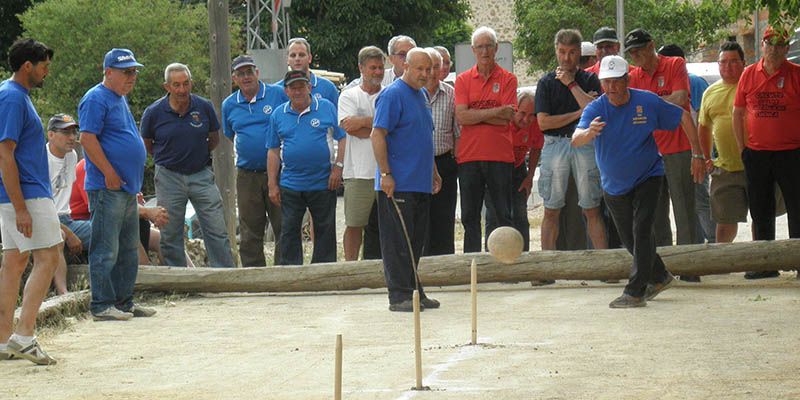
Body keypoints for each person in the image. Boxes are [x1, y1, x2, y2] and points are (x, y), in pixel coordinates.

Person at [572, 55, 705, 308]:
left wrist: (697, 154)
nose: (610, 87)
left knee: (642, 229)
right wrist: (588, 133)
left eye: (615, 81)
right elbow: (576, 138)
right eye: (605, 82)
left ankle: (635, 291)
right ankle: (660, 276)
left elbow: (684, 117)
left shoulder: (647, 101)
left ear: (627, 79)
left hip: (649, 175)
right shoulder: (596, 108)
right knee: (630, 240)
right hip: (614, 185)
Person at [78, 48, 155, 321]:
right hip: (106, 187)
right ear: (108, 72)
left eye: (134, 71)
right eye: (126, 72)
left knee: (127, 250)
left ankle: (124, 302)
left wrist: (132, 183)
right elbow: (87, 138)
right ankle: (101, 305)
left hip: (124, 189)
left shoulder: (118, 98)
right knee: (106, 248)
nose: (132, 77)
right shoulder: (96, 98)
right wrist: (109, 171)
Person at [0, 38, 60, 365]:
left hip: (16, 194)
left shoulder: (13, 95)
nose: (46, 72)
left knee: (14, 263)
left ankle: (3, 340)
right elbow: (4, 153)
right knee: (49, 257)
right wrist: (21, 206)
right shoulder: (12, 97)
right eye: (43, 66)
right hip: (28, 193)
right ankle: (24, 335)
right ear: (28, 66)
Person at [140, 63, 234, 268]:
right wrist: (169, 157)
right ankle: (179, 279)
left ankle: (226, 276)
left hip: (201, 174)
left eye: (185, 84)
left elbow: (214, 139)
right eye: (176, 85)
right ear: (167, 87)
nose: (182, 90)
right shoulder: (153, 113)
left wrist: (196, 154)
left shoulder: (204, 107)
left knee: (216, 227)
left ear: (191, 83)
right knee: (170, 231)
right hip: (168, 177)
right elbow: (147, 144)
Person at [372, 48, 441, 312]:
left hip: (420, 181)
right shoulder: (391, 95)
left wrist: (433, 171)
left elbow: (424, 136)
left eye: (429, 69)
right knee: (397, 242)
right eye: (419, 69)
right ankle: (399, 295)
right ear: (405, 67)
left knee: (414, 241)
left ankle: (415, 290)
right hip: (398, 182)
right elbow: (377, 135)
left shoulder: (422, 95)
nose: (425, 74)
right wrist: (386, 174)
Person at [733, 26, 800, 280]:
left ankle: (798, 262)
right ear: (762, 45)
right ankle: (765, 264)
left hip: (792, 153)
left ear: (787, 48)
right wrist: (743, 149)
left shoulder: (796, 74)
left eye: (780, 45)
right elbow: (738, 113)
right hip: (757, 153)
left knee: (798, 208)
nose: (774, 49)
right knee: (760, 210)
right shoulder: (749, 74)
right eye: (770, 44)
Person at [626, 29, 699, 252]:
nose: (634, 56)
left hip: (679, 146)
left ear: (651, 46)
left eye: (638, 51)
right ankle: (663, 264)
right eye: (631, 53)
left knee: (684, 209)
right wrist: (659, 104)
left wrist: (647, 105)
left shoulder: (674, 64)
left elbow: (680, 98)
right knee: (656, 213)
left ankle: (690, 263)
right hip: (650, 153)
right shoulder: (633, 76)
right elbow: (632, 111)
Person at [536, 29, 607, 253]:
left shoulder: (589, 79)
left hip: (585, 144)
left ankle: (606, 266)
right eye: (562, 52)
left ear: (579, 53)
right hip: (555, 144)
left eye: (572, 52)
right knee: (551, 209)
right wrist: (579, 113)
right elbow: (544, 123)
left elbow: (596, 112)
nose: (566, 58)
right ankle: (547, 267)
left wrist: (571, 84)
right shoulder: (546, 82)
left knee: (592, 208)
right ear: (556, 51)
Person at [267, 70, 345, 265]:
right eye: (293, 88)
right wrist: (272, 184)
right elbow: (273, 151)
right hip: (291, 184)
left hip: (323, 182)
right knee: (289, 230)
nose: (298, 91)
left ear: (309, 87)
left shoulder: (326, 108)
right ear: (286, 91)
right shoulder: (278, 114)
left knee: (325, 229)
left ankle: (324, 271)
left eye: (302, 86)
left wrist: (338, 167)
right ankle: (292, 274)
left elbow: (343, 138)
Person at [455, 26, 517, 253]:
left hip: (500, 156)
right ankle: (473, 263)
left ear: (496, 48)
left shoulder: (508, 79)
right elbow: (461, 116)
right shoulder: (462, 80)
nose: (484, 51)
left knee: (502, 214)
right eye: (480, 46)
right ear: (473, 50)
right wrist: (495, 111)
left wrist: (476, 115)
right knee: (470, 217)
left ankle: (503, 261)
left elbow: (508, 117)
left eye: (488, 46)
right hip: (469, 157)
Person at [221, 55, 285, 266]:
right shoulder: (229, 105)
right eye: (241, 73)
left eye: (249, 72)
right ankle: (254, 277)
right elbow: (230, 134)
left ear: (257, 73)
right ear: (234, 78)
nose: (246, 77)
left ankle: (286, 273)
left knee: (283, 225)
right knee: (249, 230)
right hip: (247, 174)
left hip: (279, 172)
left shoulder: (276, 94)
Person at [657, 44, 715, 250]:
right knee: (689, 203)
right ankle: (698, 245)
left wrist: (701, 153)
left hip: (690, 149)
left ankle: (712, 242)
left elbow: (701, 119)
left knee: (698, 201)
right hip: (669, 149)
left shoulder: (694, 82)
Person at [70, 159, 174, 266]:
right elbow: (107, 207)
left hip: (107, 218)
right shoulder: (88, 167)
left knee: (160, 239)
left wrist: (137, 201)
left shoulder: (118, 166)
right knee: (125, 230)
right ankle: (143, 272)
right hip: (83, 222)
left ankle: (188, 275)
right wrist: (147, 212)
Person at [339, 46, 384, 261]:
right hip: (357, 172)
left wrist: (363, 122)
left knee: (384, 225)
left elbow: (393, 129)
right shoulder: (349, 96)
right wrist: (379, 128)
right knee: (354, 224)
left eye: (380, 67)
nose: (377, 72)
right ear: (361, 68)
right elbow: (349, 128)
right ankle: (350, 268)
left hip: (385, 170)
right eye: (372, 68)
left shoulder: (389, 95)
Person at [486, 89, 543, 251]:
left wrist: (529, 177)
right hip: (496, 168)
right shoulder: (503, 123)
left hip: (518, 169)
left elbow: (536, 149)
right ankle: (492, 256)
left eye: (531, 115)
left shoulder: (535, 124)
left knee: (520, 216)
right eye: (522, 113)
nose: (526, 119)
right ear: (514, 109)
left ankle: (522, 257)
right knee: (495, 216)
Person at [46, 113, 87, 294]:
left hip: (68, 218)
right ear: (51, 135)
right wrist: (69, 233)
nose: (72, 137)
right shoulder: (40, 159)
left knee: (109, 229)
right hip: (45, 219)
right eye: (65, 132)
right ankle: (63, 293)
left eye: (74, 132)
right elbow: (40, 209)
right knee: (60, 236)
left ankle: (108, 286)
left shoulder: (72, 156)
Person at [424, 47, 459, 256]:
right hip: (419, 164)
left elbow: (458, 132)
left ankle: (445, 266)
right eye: (429, 66)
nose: (433, 71)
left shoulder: (451, 93)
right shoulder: (411, 94)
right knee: (421, 217)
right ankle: (423, 265)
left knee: (444, 217)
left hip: (445, 161)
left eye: (437, 66)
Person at [276, 38, 339, 106]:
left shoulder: (328, 87)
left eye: (301, 55)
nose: (297, 59)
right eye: (293, 55)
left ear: (309, 58)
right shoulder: (277, 90)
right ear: (287, 60)